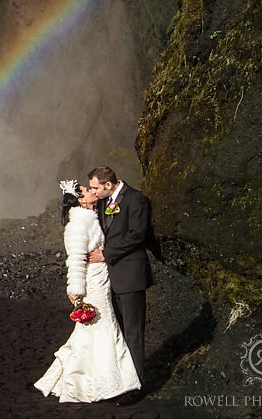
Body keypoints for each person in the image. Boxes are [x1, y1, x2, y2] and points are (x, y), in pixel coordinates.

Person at [34, 179, 141, 403]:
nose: (92, 191)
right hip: (93, 281)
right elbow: (75, 260)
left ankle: (101, 378)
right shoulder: (78, 224)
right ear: (81, 200)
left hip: (102, 277)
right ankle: (108, 381)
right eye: (86, 190)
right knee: (102, 326)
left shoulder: (92, 216)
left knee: (96, 329)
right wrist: (75, 291)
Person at [85, 165, 154, 403]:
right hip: (111, 278)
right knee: (119, 332)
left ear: (108, 185)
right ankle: (123, 380)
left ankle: (137, 386)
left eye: (96, 187)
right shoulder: (104, 201)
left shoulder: (136, 200)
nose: (94, 192)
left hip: (131, 275)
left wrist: (106, 254)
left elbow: (137, 235)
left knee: (133, 333)